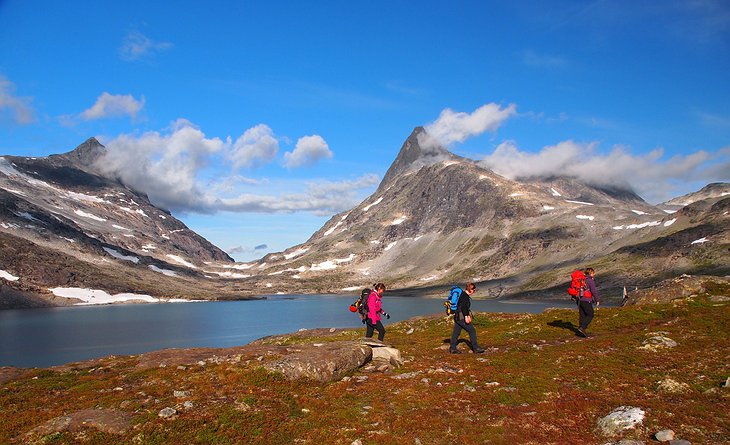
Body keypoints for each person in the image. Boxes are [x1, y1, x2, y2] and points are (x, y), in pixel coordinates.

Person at [449, 282, 485, 354]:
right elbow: (464, 307)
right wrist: (466, 317)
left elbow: (462, 307)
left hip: (457, 316)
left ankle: (453, 348)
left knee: (456, 332)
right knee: (472, 331)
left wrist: (467, 316)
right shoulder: (465, 296)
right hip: (461, 317)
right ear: (470, 289)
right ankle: (476, 348)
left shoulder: (462, 295)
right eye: (474, 290)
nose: (474, 292)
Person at [578, 267, 600, 337]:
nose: (594, 274)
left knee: (583, 315)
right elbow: (594, 291)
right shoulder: (590, 281)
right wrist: (597, 300)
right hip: (586, 300)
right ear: (591, 273)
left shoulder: (582, 279)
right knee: (590, 314)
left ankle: (581, 331)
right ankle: (582, 328)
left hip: (579, 299)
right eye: (593, 273)